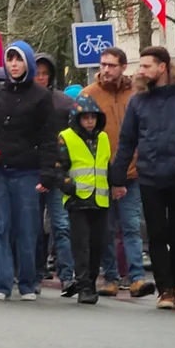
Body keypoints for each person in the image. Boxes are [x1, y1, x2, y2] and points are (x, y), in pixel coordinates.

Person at [110, 46, 175, 311]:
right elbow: (127, 141)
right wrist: (117, 177)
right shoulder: (138, 101)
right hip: (149, 177)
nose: (141, 70)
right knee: (157, 233)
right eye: (141, 66)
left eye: (146, 66)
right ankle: (165, 289)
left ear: (162, 67)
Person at [0, 41, 55, 302]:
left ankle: (28, 282)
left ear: (28, 63)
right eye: (10, 59)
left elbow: (49, 138)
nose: (14, 65)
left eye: (19, 60)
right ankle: (2, 282)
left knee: (27, 229)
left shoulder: (41, 97)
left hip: (27, 172)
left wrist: (48, 172)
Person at [79, 47, 154, 298]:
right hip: (99, 173)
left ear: (123, 66)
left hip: (132, 172)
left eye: (111, 65)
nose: (106, 70)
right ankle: (110, 277)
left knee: (132, 226)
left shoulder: (137, 93)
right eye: (103, 65)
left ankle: (136, 278)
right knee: (106, 229)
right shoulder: (88, 94)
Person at [48, 96, 111, 305]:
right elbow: (59, 166)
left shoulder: (103, 138)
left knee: (97, 245)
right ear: (77, 119)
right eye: (86, 118)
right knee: (81, 245)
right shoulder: (66, 137)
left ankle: (90, 282)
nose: (90, 122)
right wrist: (69, 187)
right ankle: (84, 285)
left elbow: (106, 166)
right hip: (78, 200)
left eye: (93, 117)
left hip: (100, 199)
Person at [33, 53, 75, 291]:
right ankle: (36, 272)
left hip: (58, 172)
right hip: (33, 171)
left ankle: (67, 274)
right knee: (34, 226)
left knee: (61, 224)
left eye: (44, 73)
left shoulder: (63, 103)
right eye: (37, 73)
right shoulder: (25, 100)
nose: (41, 77)